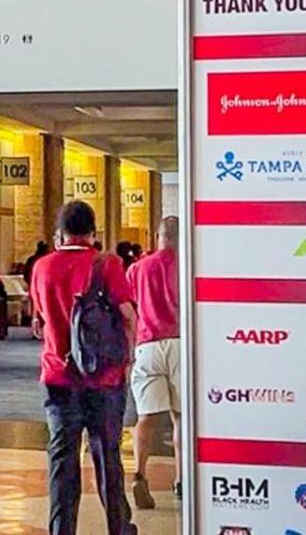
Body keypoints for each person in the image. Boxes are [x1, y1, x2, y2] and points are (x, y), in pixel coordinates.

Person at [30, 201, 138, 535]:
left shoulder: (42, 267)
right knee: (108, 457)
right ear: (93, 234)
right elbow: (129, 316)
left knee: (62, 460)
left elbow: (40, 321)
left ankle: (62, 529)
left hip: (58, 376)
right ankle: (119, 528)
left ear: (59, 235)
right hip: (104, 378)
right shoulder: (107, 265)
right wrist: (127, 359)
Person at [127, 217, 181, 509]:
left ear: (158, 236)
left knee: (146, 416)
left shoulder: (138, 268)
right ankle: (182, 480)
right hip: (181, 342)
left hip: (147, 343)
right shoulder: (189, 264)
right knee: (181, 417)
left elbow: (129, 304)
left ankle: (139, 473)